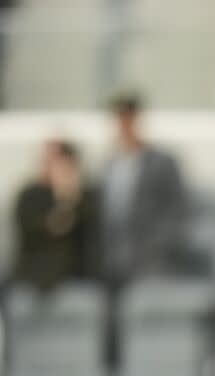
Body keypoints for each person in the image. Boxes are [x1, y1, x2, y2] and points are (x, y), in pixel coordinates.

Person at [100, 92, 188, 286]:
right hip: (114, 255)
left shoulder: (163, 162)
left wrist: (158, 244)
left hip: (151, 255)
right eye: (120, 120)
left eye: (129, 119)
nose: (124, 126)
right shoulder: (110, 164)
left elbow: (177, 209)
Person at [13, 139, 100, 290]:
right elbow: (54, 228)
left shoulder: (86, 197)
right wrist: (64, 199)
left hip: (75, 283)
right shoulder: (29, 196)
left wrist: (69, 196)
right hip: (34, 282)